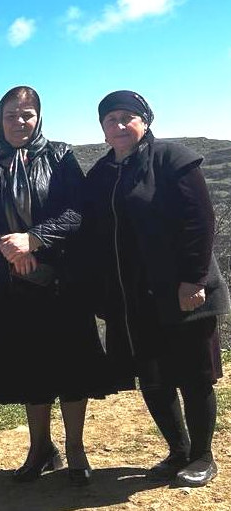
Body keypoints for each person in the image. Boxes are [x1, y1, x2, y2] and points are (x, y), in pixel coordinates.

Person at [0, 86, 111, 486]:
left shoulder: (60, 156)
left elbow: (79, 211)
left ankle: (76, 449)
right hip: (9, 283)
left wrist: (35, 239)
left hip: (62, 281)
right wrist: (9, 247)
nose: (19, 121)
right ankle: (40, 449)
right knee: (30, 367)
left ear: (39, 117)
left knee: (71, 365)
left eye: (27, 114)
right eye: (11, 115)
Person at [83, 90, 230, 487]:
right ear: (102, 129)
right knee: (154, 376)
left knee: (194, 376)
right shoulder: (100, 174)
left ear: (145, 121)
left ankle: (202, 456)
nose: (118, 125)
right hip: (132, 297)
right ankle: (178, 450)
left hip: (183, 290)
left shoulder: (172, 159)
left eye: (127, 117)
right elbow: (92, 231)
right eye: (110, 119)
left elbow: (200, 221)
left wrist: (194, 280)